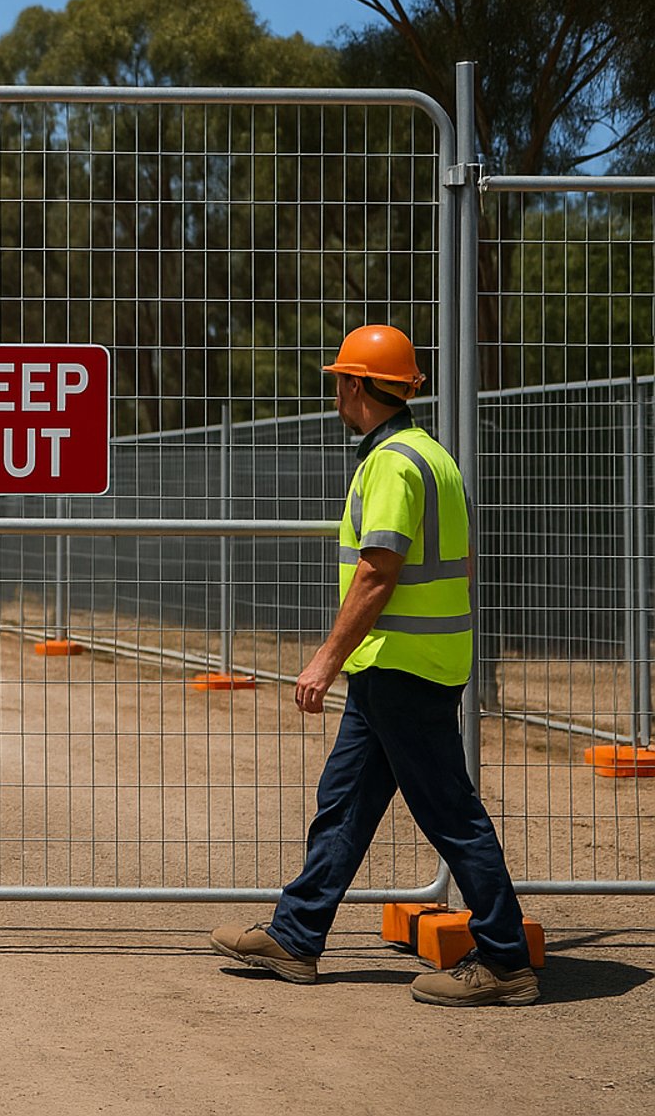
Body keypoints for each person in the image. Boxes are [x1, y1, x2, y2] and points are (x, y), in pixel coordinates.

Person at [209, 325, 538, 1007]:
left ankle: (505, 959)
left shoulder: (390, 462)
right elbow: (461, 566)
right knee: (345, 802)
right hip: (415, 661)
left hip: (399, 665)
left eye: (339, 379)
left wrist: (325, 660)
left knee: (450, 812)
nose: (335, 390)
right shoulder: (433, 456)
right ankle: (296, 937)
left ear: (355, 386)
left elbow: (378, 571)